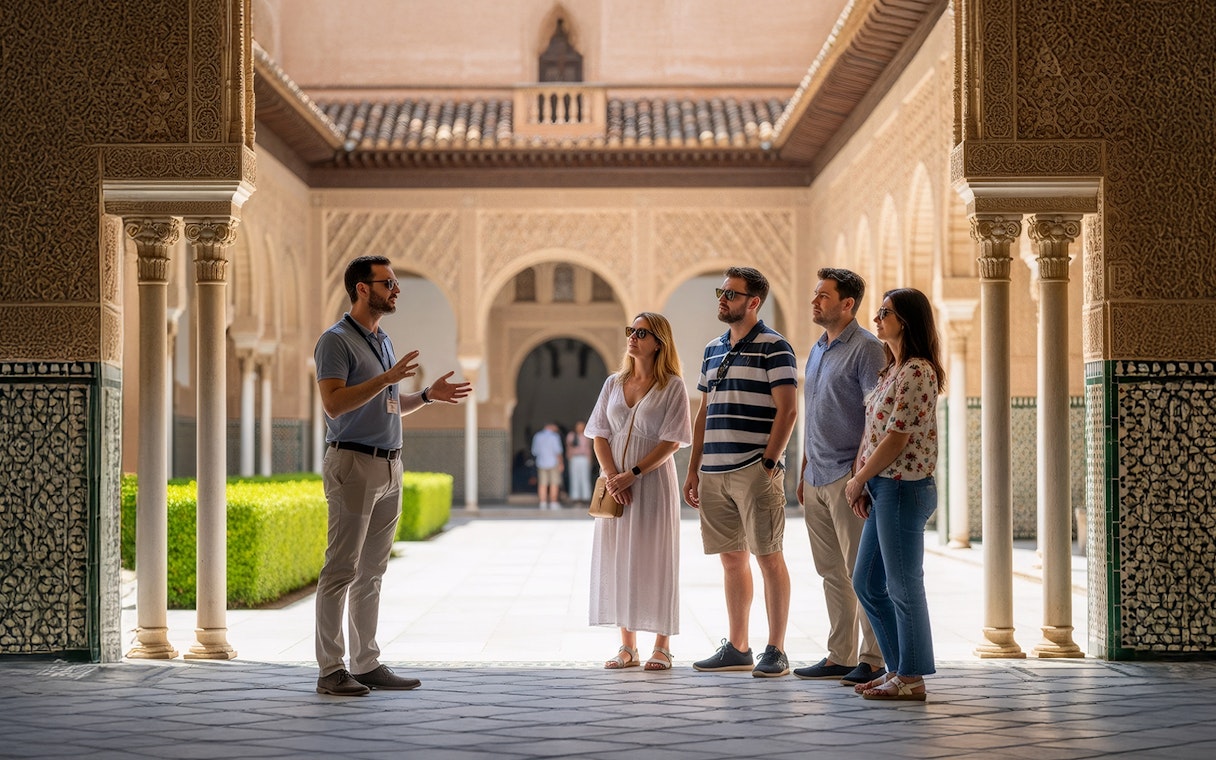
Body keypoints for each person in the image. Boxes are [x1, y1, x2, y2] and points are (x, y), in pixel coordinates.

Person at [313, 255, 472, 697]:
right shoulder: (336, 341)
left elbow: (386, 402)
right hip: (353, 463)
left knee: (372, 571)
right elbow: (335, 404)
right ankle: (331, 669)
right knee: (341, 568)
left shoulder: (382, 339)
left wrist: (424, 395)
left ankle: (365, 663)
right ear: (362, 288)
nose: (396, 289)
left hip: (389, 465)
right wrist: (387, 377)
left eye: (395, 282)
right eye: (388, 283)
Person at [683, 266, 799, 678]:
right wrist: (694, 468)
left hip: (754, 469)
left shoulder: (775, 346)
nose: (722, 299)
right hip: (713, 470)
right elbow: (703, 413)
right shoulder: (712, 348)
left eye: (731, 294)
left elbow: (787, 409)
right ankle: (738, 646)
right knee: (732, 559)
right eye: (721, 291)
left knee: (769, 556)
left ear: (753, 302)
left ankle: (776, 648)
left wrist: (769, 462)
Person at [844, 287, 945, 702]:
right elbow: (873, 434)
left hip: (904, 488)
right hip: (884, 487)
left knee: (904, 586)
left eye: (884, 312)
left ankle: (911, 678)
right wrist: (865, 481)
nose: (876, 318)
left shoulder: (918, 371)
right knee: (867, 582)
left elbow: (896, 439)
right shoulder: (892, 370)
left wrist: (857, 479)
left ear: (905, 319)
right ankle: (898, 670)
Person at [793, 269, 888, 686]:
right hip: (815, 475)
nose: (815, 302)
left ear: (847, 304)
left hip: (847, 478)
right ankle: (839, 655)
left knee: (860, 572)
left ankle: (872, 657)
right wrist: (802, 468)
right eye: (815, 295)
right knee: (831, 571)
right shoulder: (816, 349)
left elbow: (877, 414)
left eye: (823, 296)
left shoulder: (867, 349)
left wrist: (859, 475)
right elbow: (813, 412)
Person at [587, 313, 692, 671]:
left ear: (658, 342)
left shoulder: (672, 386)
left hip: (652, 483)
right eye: (630, 330)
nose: (632, 337)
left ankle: (662, 645)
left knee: (656, 556)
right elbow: (599, 432)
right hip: (616, 484)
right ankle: (627, 646)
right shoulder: (613, 383)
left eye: (641, 332)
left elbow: (672, 441)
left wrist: (633, 474)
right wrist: (612, 476)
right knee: (619, 557)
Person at [531, 422, 565, 509]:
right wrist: (561, 463)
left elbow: (534, 451)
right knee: (554, 483)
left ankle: (543, 503)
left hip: (541, 463)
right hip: (553, 463)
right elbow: (558, 451)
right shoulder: (554, 437)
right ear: (551, 427)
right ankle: (553, 503)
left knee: (542, 483)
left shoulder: (537, 436)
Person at [566, 420, 594, 503]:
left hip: (584, 458)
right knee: (574, 477)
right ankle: (575, 497)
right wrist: (569, 458)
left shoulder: (586, 436)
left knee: (585, 477)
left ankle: (586, 497)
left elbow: (589, 448)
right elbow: (568, 447)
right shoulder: (571, 435)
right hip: (574, 458)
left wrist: (590, 460)